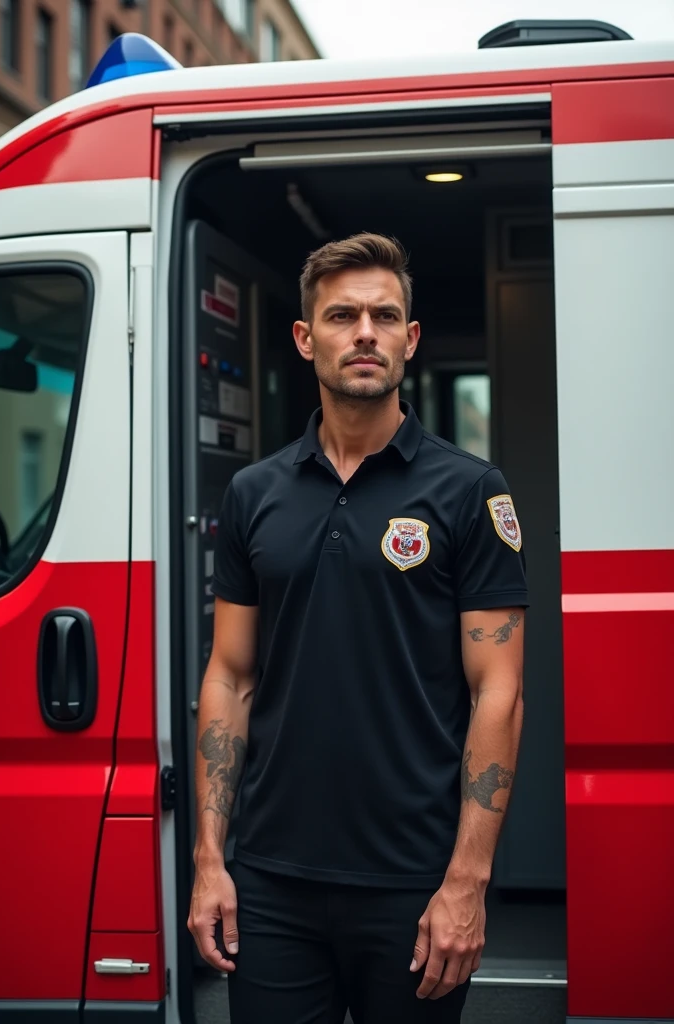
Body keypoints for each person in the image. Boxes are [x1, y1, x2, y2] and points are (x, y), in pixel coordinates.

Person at [188, 233, 528, 1023]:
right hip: (271, 883)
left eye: (384, 315)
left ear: (410, 340)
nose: (364, 332)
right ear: (307, 339)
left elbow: (498, 693)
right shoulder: (252, 494)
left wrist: (467, 883)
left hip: (416, 884)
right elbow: (230, 677)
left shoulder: (470, 492)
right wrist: (211, 859)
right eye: (342, 315)